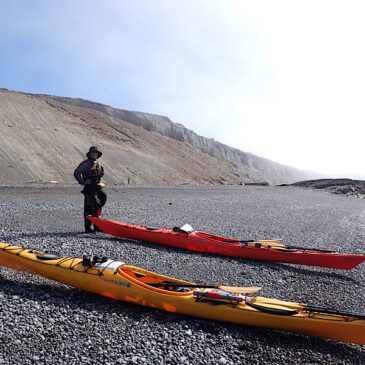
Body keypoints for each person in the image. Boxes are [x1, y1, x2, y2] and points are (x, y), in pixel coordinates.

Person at [74, 146, 107, 233]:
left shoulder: (99, 163)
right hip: (89, 187)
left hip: (97, 186)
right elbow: (77, 172)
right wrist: (82, 181)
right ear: (90, 154)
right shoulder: (86, 163)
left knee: (100, 202)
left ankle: (97, 226)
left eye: (96, 152)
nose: (94, 154)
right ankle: (88, 228)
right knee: (89, 207)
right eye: (93, 152)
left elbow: (101, 172)